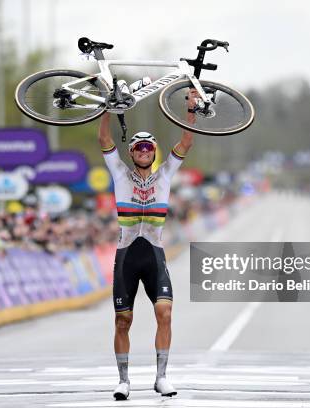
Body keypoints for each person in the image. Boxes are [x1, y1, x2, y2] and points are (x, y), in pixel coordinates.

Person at [98, 89, 197, 400]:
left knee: (165, 314)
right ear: (132, 153)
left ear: (154, 152)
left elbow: (186, 143)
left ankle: (162, 377)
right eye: (138, 147)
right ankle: (123, 381)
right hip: (127, 255)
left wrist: (191, 108)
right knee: (122, 320)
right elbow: (104, 140)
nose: (142, 151)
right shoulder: (119, 173)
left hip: (153, 254)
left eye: (148, 147)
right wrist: (105, 108)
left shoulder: (165, 174)